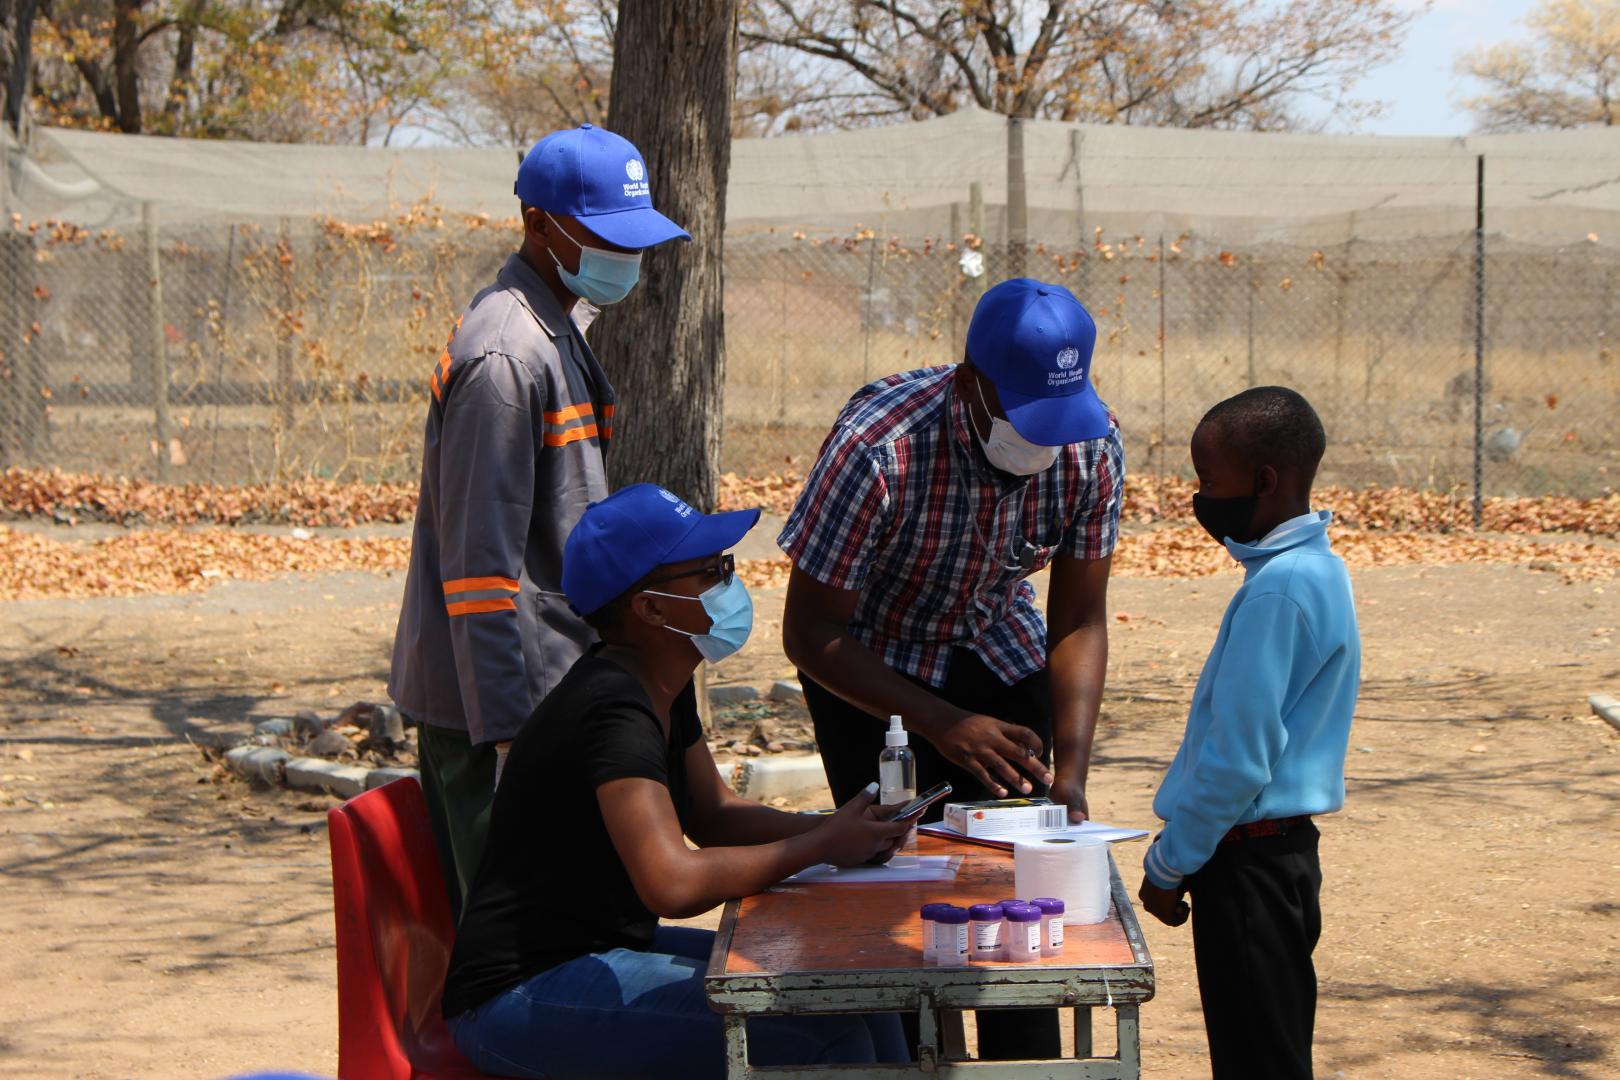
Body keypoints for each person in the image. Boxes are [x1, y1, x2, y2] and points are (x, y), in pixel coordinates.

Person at [441, 483, 909, 1078]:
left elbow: (713, 814)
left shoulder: (662, 680)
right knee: (826, 1037)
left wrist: (840, 830)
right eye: (711, 573)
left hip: (596, 953)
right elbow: (672, 883)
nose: (729, 585)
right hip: (519, 995)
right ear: (652, 609)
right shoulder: (613, 709)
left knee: (859, 989)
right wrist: (820, 846)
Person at [778, 277, 1123, 1060]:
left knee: (1019, 902)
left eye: (1057, 420)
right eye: (1025, 417)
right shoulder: (880, 448)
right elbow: (809, 630)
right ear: (970, 383)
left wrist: (1069, 773)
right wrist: (938, 722)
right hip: (871, 670)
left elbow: (1077, 619)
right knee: (893, 893)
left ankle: (1022, 1063)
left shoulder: (1092, 446)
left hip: (998, 653)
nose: (1044, 443)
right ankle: (909, 1056)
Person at [388, 124, 689, 919]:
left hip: (543, 697)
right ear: (538, 224)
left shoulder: (557, 330)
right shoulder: (506, 358)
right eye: (602, 237)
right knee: (517, 960)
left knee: (572, 934)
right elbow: (480, 574)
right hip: (497, 718)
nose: (624, 257)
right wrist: (513, 742)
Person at [1137, 387, 1361, 1080]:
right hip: (1284, 859)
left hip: (1247, 866)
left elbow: (1237, 761)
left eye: (1209, 481)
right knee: (1273, 1049)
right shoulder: (1319, 569)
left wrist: (1169, 864)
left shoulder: (1277, 591)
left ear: (1264, 481)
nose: (1199, 497)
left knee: (1258, 1061)